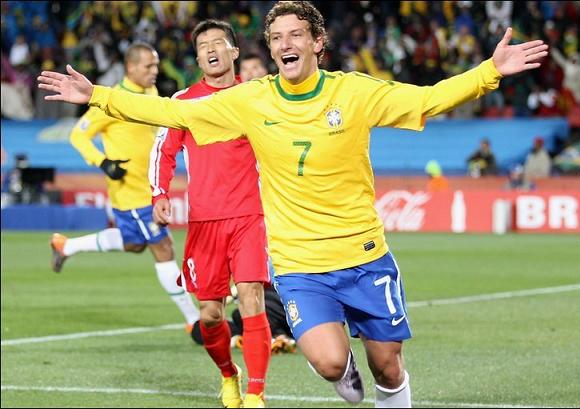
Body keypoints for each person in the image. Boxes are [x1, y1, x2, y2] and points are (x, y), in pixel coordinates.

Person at [38, 1, 548, 407]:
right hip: (300, 264)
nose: (285, 44)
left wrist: (490, 71)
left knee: (389, 366)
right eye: (277, 37)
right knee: (330, 364)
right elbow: (173, 114)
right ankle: (333, 369)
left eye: (296, 35)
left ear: (317, 43)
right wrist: (98, 95)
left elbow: (427, 99)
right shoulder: (251, 100)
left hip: (364, 254)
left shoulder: (354, 93)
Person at [148, 20, 271, 408]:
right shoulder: (184, 101)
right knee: (211, 315)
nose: (211, 50)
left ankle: (256, 393)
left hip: (249, 215)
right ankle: (229, 374)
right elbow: (163, 150)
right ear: (198, 58)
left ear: (234, 52)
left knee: (251, 297)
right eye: (204, 46)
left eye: (219, 43)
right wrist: (159, 193)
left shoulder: (256, 96)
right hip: (204, 221)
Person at [48, 42, 200, 338]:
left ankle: (66, 246)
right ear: (130, 67)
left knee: (134, 244)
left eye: (156, 65)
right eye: (148, 66)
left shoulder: (150, 92)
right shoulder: (111, 100)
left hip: (150, 188)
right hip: (132, 194)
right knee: (164, 248)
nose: (155, 71)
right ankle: (194, 321)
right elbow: (78, 135)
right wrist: (103, 162)